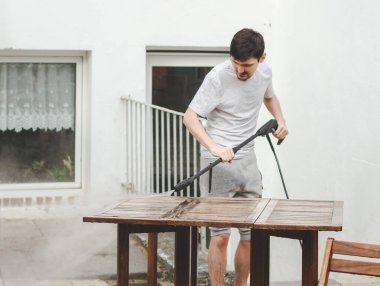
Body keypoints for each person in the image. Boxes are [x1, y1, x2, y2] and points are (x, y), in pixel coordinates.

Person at [183, 28, 288, 286]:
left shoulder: (265, 72)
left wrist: (281, 120)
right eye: (236, 63)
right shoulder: (217, 77)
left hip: (248, 162)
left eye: (247, 65)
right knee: (220, 236)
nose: (241, 70)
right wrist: (215, 148)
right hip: (217, 163)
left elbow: (269, 96)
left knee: (251, 233)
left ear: (261, 58)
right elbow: (189, 117)